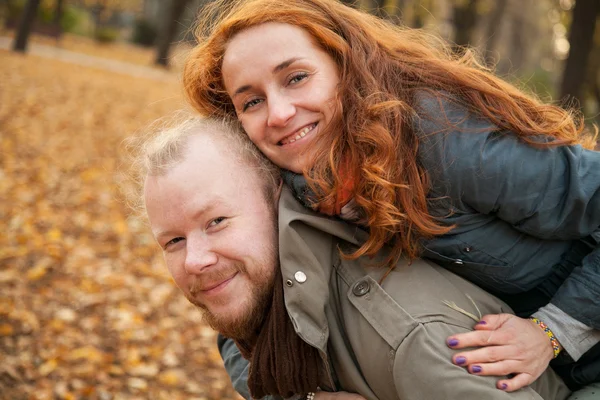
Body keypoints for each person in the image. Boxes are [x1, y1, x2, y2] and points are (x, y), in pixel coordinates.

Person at [182, 0, 600, 394]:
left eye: (296, 78)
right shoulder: (276, 185)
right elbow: (242, 315)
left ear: (347, 67)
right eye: (252, 101)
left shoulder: (446, 143)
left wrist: (552, 331)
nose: (278, 113)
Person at [134, 115, 571, 399]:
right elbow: (240, 343)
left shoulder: (413, 340)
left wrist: (555, 331)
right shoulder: (265, 298)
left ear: (276, 200)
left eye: (215, 222)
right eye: (172, 241)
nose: (194, 261)